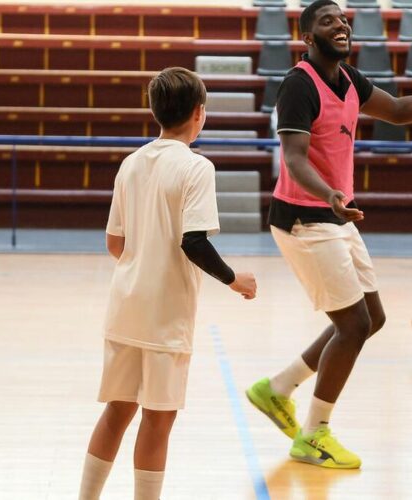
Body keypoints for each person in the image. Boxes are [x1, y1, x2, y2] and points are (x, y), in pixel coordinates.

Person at [245, 0, 412, 470]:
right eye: (327, 20)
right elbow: (295, 159)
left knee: (372, 316)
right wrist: (330, 195)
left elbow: (401, 111)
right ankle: (313, 435)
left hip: (334, 214)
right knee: (353, 325)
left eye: (343, 18)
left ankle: (278, 387)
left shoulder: (350, 79)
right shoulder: (299, 84)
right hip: (305, 217)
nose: (340, 24)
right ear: (307, 37)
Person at [78, 67, 257, 500]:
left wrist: (143, 265)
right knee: (158, 420)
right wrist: (235, 280)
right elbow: (193, 242)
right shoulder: (197, 168)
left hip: (124, 306)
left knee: (116, 411)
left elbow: (114, 242)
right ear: (199, 113)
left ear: (155, 111)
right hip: (165, 316)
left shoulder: (131, 162)